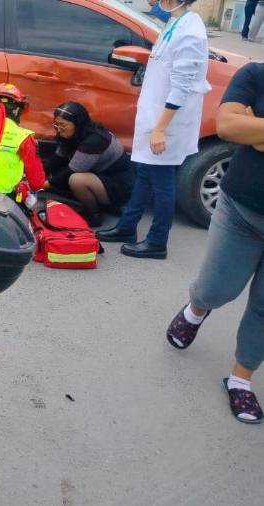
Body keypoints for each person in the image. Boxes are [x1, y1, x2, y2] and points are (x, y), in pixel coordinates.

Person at [164, 62, 264, 424]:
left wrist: (257, 131)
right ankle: (196, 309)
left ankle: (240, 378)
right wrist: (244, 129)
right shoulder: (256, 75)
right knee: (216, 289)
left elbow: (245, 128)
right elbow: (228, 125)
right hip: (242, 210)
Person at [96, 0, 210, 260]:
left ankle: (157, 241)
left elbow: (182, 86)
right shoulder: (176, 21)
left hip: (167, 122)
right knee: (145, 173)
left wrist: (160, 129)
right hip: (155, 118)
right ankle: (127, 227)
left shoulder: (190, 32)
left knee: (161, 181)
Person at [43, 102, 135, 227]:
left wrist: (44, 184)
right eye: (56, 124)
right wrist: (36, 174)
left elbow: (72, 170)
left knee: (76, 180)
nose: (59, 129)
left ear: (77, 124)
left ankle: (94, 215)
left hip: (119, 184)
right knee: (61, 178)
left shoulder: (95, 140)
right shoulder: (72, 134)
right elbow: (58, 159)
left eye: (63, 125)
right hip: (99, 177)